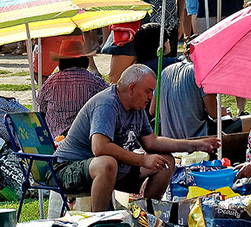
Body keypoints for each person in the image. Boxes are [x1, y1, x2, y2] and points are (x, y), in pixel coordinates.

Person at [53, 65, 220, 212]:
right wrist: (142, 160)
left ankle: (146, 214)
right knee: (107, 162)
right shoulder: (107, 104)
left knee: (165, 162)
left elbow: (152, 142)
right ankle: (99, 224)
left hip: (111, 170)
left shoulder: (137, 108)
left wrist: (196, 144)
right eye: (148, 91)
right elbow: (100, 147)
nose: (151, 96)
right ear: (132, 88)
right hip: (67, 170)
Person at [37, 42, 109, 138]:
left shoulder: (50, 83)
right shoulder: (94, 81)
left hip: (55, 139)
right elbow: (109, 101)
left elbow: (42, 108)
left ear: (61, 62)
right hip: (85, 139)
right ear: (84, 60)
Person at [157, 56, 218, 140]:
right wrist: (223, 112)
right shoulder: (199, 72)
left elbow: (153, 110)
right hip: (197, 139)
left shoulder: (164, 72)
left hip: (168, 140)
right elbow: (214, 113)